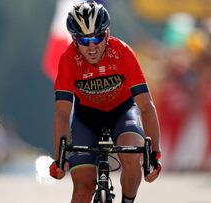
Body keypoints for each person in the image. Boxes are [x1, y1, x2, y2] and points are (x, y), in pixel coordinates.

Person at [49, 1, 162, 202]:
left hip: (122, 112)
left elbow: (146, 106)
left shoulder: (123, 52)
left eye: (97, 38)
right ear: (74, 40)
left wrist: (154, 155)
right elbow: (62, 113)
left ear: (107, 34)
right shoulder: (68, 59)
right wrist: (60, 158)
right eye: (84, 41)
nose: (91, 47)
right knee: (83, 187)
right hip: (87, 118)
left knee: (131, 158)